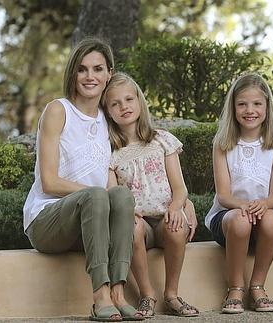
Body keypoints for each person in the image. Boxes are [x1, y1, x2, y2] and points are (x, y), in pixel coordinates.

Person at [23, 38, 144, 322]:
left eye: (98, 69)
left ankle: (117, 293)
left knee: (122, 196)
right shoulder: (58, 110)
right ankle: (100, 297)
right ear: (72, 74)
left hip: (91, 222)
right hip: (47, 221)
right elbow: (50, 182)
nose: (90, 77)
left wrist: (181, 201)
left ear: (109, 74)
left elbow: (138, 155)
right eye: (82, 69)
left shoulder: (107, 118)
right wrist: (97, 194)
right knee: (97, 195)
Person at [104, 72, 200, 318]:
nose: (123, 107)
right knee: (132, 226)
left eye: (128, 99)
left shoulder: (162, 140)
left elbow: (179, 187)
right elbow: (112, 191)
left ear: (139, 101)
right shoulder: (111, 152)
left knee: (177, 226)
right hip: (141, 223)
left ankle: (172, 294)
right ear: (108, 111)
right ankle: (147, 295)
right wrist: (125, 212)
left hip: (165, 216)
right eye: (115, 104)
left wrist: (177, 206)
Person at [205, 73, 273, 314]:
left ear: (267, 107)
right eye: (242, 104)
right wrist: (244, 206)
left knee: (272, 219)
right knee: (241, 221)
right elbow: (223, 195)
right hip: (228, 220)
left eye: (256, 104)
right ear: (233, 107)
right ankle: (235, 288)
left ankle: (258, 286)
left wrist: (263, 205)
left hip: (263, 217)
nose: (249, 110)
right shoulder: (223, 143)